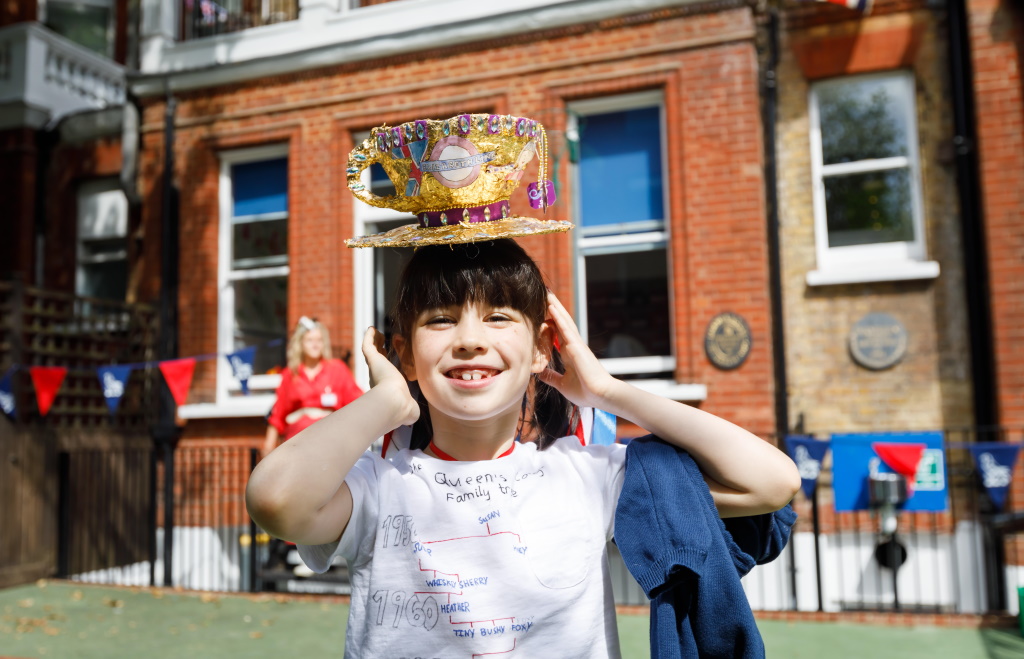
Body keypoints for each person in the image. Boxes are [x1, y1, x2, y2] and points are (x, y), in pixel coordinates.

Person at [246, 114, 800, 657]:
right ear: (405, 353)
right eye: (441, 320)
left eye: (498, 317)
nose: (469, 339)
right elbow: (275, 501)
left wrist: (607, 391)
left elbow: (772, 482)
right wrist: (387, 402)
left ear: (541, 348)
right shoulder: (377, 485)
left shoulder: (588, 476)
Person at [263, 316, 364, 458]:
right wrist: (267, 449)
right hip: (296, 448)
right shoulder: (290, 375)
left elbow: (358, 405)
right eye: (310, 340)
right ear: (300, 343)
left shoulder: (337, 370)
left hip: (331, 447)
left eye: (319, 340)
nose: (315, 345)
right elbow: (277, 416)